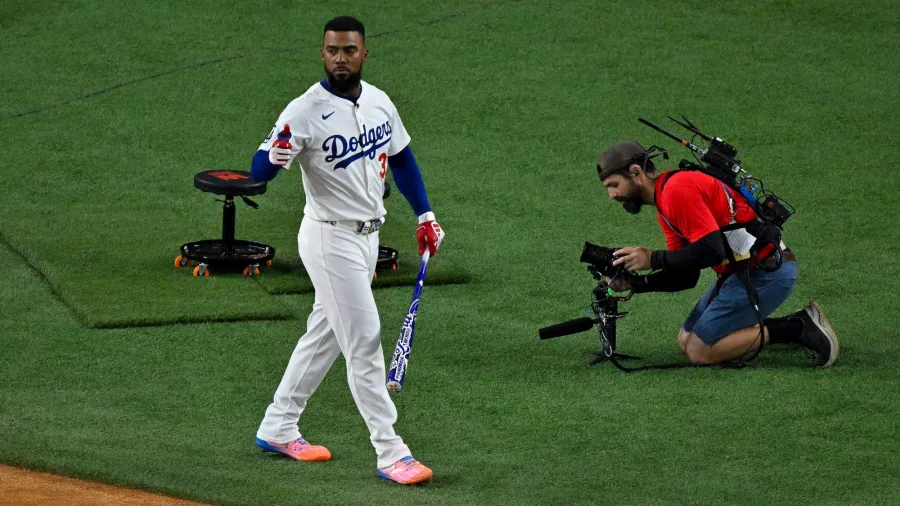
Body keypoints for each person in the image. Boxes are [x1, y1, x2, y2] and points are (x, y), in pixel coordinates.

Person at [249, 15, 444, 485]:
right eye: (332, 50)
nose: (341, 58)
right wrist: (270, 163)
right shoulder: (303, 110)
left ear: (364, 53)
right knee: (363, 338)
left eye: (349, 50)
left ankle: (278, 425)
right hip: (328, 238)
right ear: (322, 53)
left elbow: (402, 158)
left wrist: (424, 215)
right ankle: (390, 451)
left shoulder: (379, 102)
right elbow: (260, 166)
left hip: (368, 236)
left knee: (327, 332)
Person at [596, 140, 838, 367]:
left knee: (700, 351)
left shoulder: (676, 191)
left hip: (768, 272)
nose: (612, 195)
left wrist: (652, 259)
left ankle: (797, 327)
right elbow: (686, 276)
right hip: (743, 272)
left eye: (614, 185)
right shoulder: (665, 203)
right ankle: (770, 326)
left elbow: (712, 251)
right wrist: (636, 283)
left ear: (636, 172)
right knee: (686, 339)